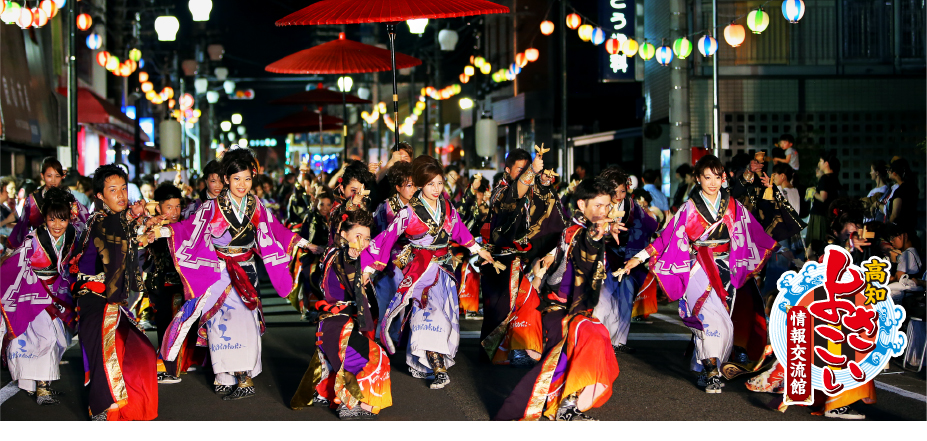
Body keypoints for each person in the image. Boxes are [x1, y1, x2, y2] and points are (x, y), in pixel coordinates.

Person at [154, 147, 313, 401]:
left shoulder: (256, 205)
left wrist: (304, 243)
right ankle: (224, 374)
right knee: (218, 323)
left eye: (247, 178)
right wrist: (161, 232)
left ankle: (244, 376)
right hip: (218, 270)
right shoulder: (210, 207)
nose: (242, 184)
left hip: (246, 269)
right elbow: (187, 228)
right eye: (236, 178)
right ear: (226, 179)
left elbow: (276, 231)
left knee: (246, 322)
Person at [623, 155, 778, 393]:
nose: (713, 183)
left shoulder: (733, 206)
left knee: (725, 325)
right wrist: (640, 257)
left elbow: (752, 232)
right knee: (707, 320)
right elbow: (667, 237)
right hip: (697, 269)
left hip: (725, 270)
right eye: (707, 177)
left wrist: (775, 246)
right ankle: (712, 372)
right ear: (698, 178)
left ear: (723, 177)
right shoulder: (689, 208)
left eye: (717, 177)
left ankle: (708, 367)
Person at [360, 155, 497, 389]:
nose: (436, 189)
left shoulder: (447, 207)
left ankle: (430, 360)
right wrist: (370, 264)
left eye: (440, 183)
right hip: (421, 272)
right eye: (431, 184)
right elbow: (387, 238)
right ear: (421, 184)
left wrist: (478, 249)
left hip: (444, 270)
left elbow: (460, 231)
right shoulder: (408, 212)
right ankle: (438, 368)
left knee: (445, 317)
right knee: (428, 315)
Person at [494, 178, 621, 421]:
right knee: (588, 335)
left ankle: (569, 403)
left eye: (606, 207)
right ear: (582, 205)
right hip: (558, 310)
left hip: (575, 311)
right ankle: (563, 405)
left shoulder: (580, 231)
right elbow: (585, 245)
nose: (602, 212)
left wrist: (598, 233)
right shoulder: (575, 233)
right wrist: (597, 234)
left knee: (598, 335)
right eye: (597, 206)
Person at [70, 164, 161, 420]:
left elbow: (125, 231)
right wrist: (138, 230)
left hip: (110, 298)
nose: (121, 195)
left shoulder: (115, 219)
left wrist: (140, 226)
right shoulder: (100, 221)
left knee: (140, 350)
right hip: (93, 297)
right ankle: (101, 408)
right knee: (107, 349)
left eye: (123, 188)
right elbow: (116, 236)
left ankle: (128, 405)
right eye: (113, 190)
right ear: (100, 195)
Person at [290, 210, 392, 420]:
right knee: (377, 358)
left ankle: (327, 391)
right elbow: (353, 274)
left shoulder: (330, 251)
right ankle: (351, 403)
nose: (362, 243)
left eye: (366, 238)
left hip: (329, 325)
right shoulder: (347, 256)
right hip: (338, 328)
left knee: (358, 354)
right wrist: (365, 271)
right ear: (344, 234)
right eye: (357, 236)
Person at [480, 148, 565, 351]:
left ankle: (522, 348)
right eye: (521, 170)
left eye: (529, 169)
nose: (527, 173)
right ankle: (497, 351)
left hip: (529, 257)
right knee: (500, 308)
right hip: (502, 259)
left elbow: (549, 213)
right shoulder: (500, 191)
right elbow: (511, 199)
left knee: (529, 304)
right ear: (508, 170)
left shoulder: (533, 189)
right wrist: (531, 173)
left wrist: (544, 182)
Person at [1, 187, 78, 405]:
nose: (57, 225)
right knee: (47, 338)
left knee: (60, 340)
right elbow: (13, 263)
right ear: (44, 219)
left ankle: (41, 384)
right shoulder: (32, 240)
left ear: (69, 220)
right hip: (35, 294)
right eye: (52, 220)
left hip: (60, 293)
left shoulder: (73, 235)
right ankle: (43, 388)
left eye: (62, 220)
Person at [592, 167, 659, 355]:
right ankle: (598, 337)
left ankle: (619, 340)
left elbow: (648, 224)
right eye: (614, 191)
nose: (619, 195)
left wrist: (657, 223)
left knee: (626, 298)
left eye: (622, 190)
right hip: (603, 255)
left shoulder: (631, 204)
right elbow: (588, 225)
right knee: (604, 298)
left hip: (626, 256)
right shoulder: (598, 202)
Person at [144, 183, 199, 384]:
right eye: (169, 207)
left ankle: (181, 362)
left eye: (177, 207)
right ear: (158, 207)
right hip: (160, 283)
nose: (174, 212)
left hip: (183, 283)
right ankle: (165, 368)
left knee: (184, 323)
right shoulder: (150, 227)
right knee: (165, 325)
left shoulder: (184, 225)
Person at [369, 162, 416, 329]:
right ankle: (382, 333)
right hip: (390, 259)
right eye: (409, 185)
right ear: (398, 186)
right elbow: (381, 238)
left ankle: (399, 334)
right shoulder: (385, 208)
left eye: (415, 185)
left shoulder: (419, 206)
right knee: (389, 296)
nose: (413, 189)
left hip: (413, 258)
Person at [9, 157, 89, 249]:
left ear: (62, 177)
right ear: (42, 176)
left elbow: (82, 222)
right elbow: (22, 226)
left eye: (57, 176)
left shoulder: (69, 199)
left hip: (65, 248)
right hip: (38, 249)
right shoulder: (32, 199)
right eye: (49, 176)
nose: (53, 180)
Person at [805, 150, 842, 244]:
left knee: (815, 243)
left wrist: (813, 193)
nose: (819, 164)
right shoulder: (834, 178)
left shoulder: (825, 178)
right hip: (828, 215)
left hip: (819, 215)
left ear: (826, 163)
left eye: (820, 161)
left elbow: (823, 197)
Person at [883, 158, 917, 235]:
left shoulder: (901, 191)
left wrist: (886, 227)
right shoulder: (910, 187)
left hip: (901, 233)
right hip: (909, 229)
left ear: (895, 173)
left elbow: (895, 214)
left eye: (889, 169)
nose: (888, 172)